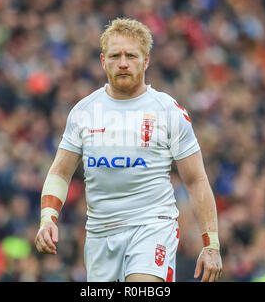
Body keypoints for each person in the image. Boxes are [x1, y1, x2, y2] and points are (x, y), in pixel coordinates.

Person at [34, 17, 222, 282]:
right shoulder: (84, 112)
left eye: (131, 56)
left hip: (152, 226)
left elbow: (196, 180)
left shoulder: (168, 111)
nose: (123, 63)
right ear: (103, 61)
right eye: (115, 56)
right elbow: (60, 172)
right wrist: (48, 219)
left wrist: (211, 244)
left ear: (145, 61)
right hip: (100, 234)